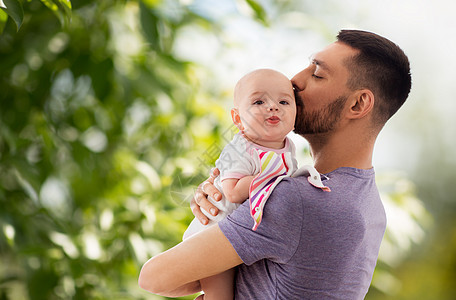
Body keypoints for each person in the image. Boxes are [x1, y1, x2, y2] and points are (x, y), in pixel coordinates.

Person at [138, 29, 412, 299]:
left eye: (317, 74)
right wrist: (229, 203)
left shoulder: (295, 198)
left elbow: (154, 277)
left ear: (358, 104)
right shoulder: (371, 208)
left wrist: (219, 219)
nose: (295, 80)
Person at [182, 69, 329, 299]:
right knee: (220, 294)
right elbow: (231, 192)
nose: (273, 107)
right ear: (238, 119)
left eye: (283, 101)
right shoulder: (241, 147)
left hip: (246, 237)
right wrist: (274, 181)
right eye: (259, 101)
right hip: (215, 232)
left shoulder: (288, 147)